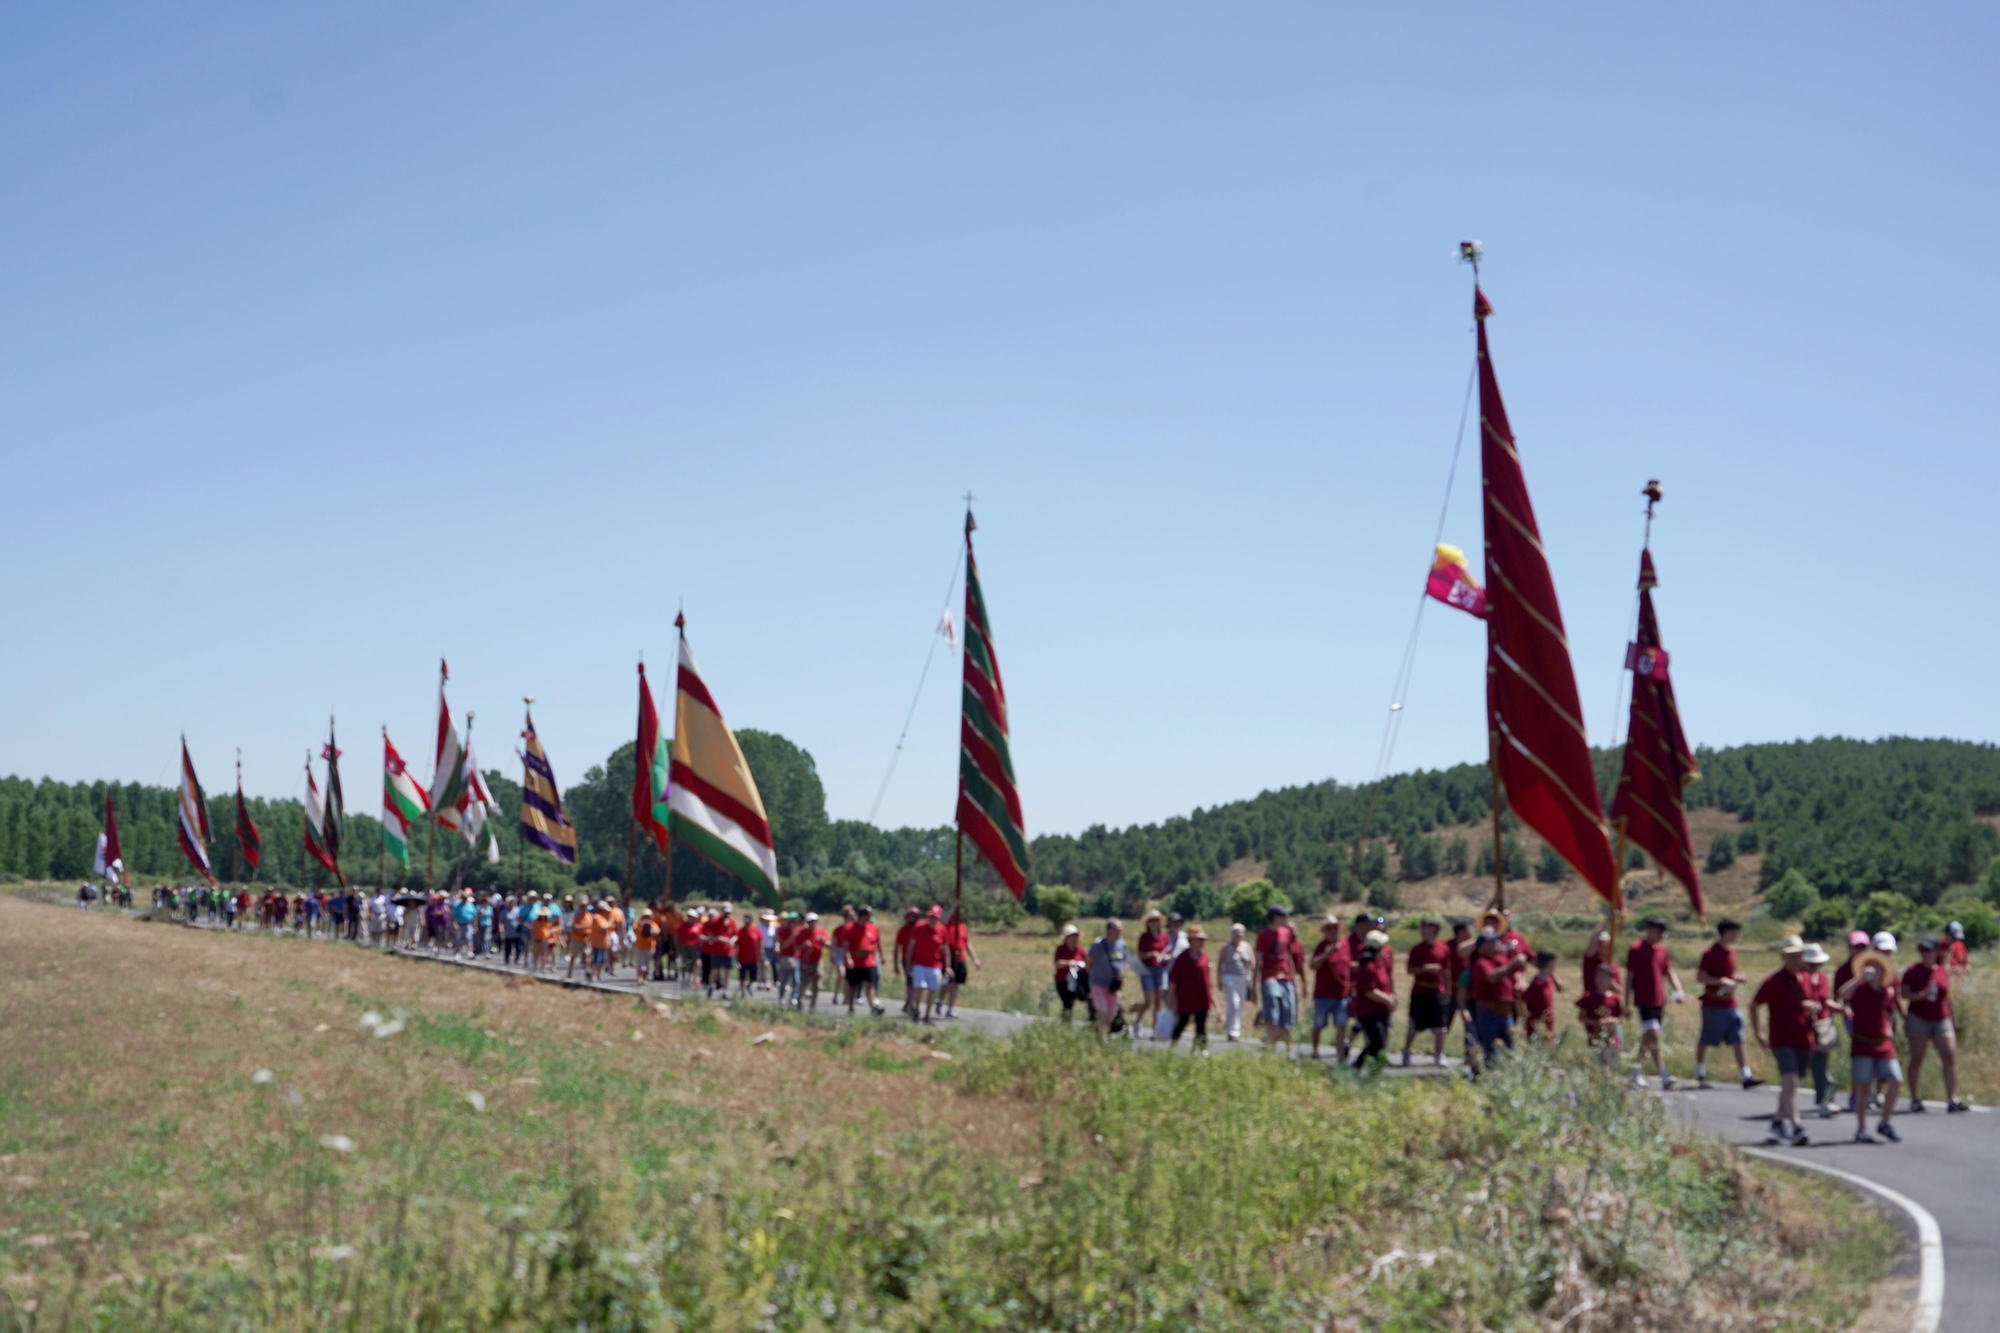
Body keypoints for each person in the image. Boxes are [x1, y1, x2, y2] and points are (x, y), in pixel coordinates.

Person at [1750, 935, 1826, 1146]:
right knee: (1791, 1080)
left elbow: (1819, 1006)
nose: (1796, 959)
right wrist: (1758, 1033)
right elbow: (1754, 1005)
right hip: (1781, 1039)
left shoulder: (1810, 979)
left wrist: (1814, 1008)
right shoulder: (1773, 981)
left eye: (1799, 955)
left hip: (1804, 1039)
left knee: (1790, 1084)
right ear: (1783, 957)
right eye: (1791, 956)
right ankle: (1796, 1126)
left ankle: (1777, 1121)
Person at [1837, 945, 1902, 1143]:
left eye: (1876, 968)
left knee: (1896, 1080)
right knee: (1863, 1086)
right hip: (1862, 1043)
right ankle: (1862, 1127)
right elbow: (1843, 993)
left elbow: (1890, 1012)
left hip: (1883, 1043)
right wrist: (1860, 978)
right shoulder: (1858, 990)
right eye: (1869, 967)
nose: (1872, 971)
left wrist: (1889, 1029)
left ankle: (1885, 1122)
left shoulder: (1886, 992)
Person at [1901, 935, 1968, 1113]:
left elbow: (1946, 998)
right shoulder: (1913, 970)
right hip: (1919, 1018)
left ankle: (1953, 1099)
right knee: (1917, 1059)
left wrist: (1953, 1020)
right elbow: (1904, 994)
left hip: (1941, 1017)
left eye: (1928, 950)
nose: (1924, 953)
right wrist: (1920, 995)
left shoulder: (1941, 971)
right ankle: (1915, 1098)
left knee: (1949, 1056)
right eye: (1922, 950)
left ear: (1936, 951)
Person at [1694, 919, 1763, 1090]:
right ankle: (1700, 1071)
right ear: (1726, 932)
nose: (1738, 935)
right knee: (1706, 1038)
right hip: (1712, 1004)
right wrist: (1721, 981)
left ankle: (1746, 1076)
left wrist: (1737, 978)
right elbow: (1701, 977)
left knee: (1738, 1036)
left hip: (1730, 1003)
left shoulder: (1732, 952)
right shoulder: (1710, 952)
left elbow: (1729, 975)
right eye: (1735, 931)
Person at [1625, 918, 1686, 1090]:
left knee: (1649, 1037)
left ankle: (1635, 1072)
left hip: (1659, 1000)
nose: (1660, 936)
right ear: (1649, 930)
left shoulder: (1662, 950)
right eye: (1658, 931)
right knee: (1653, 1034)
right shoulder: (1636, 949)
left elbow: (1669, 971)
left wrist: (1679, 990)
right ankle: (1664, 1074)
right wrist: (1626, 1002)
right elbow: (1629, 976)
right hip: (1643, 1000)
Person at [1401, 918, 1454, 1067]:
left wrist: (1448, 991)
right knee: (1414, 1025)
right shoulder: (1416, 949)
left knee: (1440, 1026)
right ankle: (1406, 1050)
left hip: (1437, 991)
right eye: (1422, 928)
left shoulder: (1443, 948)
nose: (1423, 931)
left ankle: (1439, 1054)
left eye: (1426, 928)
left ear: (1434, 930)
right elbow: (1409, 970)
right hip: (1420, 991)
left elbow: (1447, 971)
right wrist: (1425, 969)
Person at [1468, 930, 1527, 1062]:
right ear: (1483, 947)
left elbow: (1516, 971)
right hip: (1490, 1014)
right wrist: (1513, 964)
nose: (1498, 943)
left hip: (1506, 1015)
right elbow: (1492, 977)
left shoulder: (1502, 959)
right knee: (1492, 1053)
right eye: (1493, 941)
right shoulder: (1481, 963)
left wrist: (1519, 963)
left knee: (1511, 1050)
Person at [1253, 903, 1303, 1054]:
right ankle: (1271, 1046)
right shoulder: (1263, 935)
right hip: (1270, 976)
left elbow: (1289, 958)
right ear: (1275, 918)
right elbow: (1259, 960)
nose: (1286, 919)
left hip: (1286, 977)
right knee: (1273, 1008)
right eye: (1283, 916)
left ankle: (1274, 1045)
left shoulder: (1286, 933)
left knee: (1289, 1012)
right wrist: (1254, 985)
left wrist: (1295, 982)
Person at [1348, 930, 1396, 1069]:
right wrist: (1387, 999)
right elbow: (1370, 991)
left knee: (1379, 1042)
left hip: (1379, 1011)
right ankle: (1357, 1065)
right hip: (1368, 1011)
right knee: (1377, 1042)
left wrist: (1391, 996)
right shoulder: (1368, 966)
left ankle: (1373, 1069)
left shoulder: (1379, 963)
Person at [1308, 914, 1352, 1062]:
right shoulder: (1321, 946)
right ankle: (1314, 1050)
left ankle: (1340, 1057)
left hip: (1341, 995)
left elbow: (1349, 965)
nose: (1332, 931)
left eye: (1334, 928)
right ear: (1324, 931)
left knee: (1341, 1025)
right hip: (1323, 995)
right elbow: (1312, 965)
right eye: (1329, 928)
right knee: (1318, 1024)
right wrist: (1325, 955)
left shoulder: (1345, 945)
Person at [1167, 925, 1217, 1053]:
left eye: (1202, 940)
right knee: (1182, 1023)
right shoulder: (1182, 958)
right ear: (1190, 940)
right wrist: (1171, 998)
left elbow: (1208, 981)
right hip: (1186, 998)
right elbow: (1173, 980)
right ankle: (1172, 1046)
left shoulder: (1205, 958)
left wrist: (1214, 1001)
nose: (1200, 942)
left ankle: (1202, 1050)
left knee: (1201, 1026)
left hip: (1202, 998)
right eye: (1197, 939)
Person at [1086, 919, 1130, 1036]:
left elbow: (1123, 961)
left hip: (1112, 986)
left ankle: (1099, 1032)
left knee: (1111, 1012)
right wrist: (1094, 976)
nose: (1120, 932)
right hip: (1098, 983)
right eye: (1117, 929)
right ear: (1109, 930)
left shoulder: (1122, 945)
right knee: (1103, 1010)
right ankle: (1102, 1038)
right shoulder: (1098, 945)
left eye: (1120, 929)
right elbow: (1088, 962)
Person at [1577, 958, 1624, 1062]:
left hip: (1612, 1039)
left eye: (1604, 977)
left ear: (1610, 979)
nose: (1600, 980)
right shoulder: (1589, 997)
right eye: (1598, 977)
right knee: (1598, 1064)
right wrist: (1597, 1022)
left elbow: (1620, 1017)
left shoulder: (1615, 998)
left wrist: (1612, 1020)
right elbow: (1581, 1017)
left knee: (1613, 1064)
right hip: (1596, 1039)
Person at [1134, 911, 1172, 1038]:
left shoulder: (1164, 937)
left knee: (1158, 1001)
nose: (1154, 923)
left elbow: (1168, 952)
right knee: (1148, 1001)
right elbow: (1140, 954)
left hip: (1161, 969)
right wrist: (1150, 954)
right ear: (1148, 923)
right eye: (1152, 921)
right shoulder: (1144, 937)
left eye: (1156, 920)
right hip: (1147, 969)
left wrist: (1166, 957)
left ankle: (1155, 1029)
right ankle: (1138, 1021)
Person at [907, 905, 947, 1023]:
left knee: (932, 989)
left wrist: (947, 965)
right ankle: (916, 1009)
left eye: (935, 917)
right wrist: (908, 963)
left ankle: (927, 1015)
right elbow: (911, 947)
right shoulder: (919, 927)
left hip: (935, 964)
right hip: (919, 963)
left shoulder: (942, 930)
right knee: (920, 987)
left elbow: (945, 949)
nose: (933, 920)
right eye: (931, 917)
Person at [1215, 923, 1254, 1042]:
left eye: (1240, 933)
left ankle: (1236, 1031)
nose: (1238, 935)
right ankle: (1231, 1031)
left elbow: (1252, 962)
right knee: (1234, 1003)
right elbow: (1220, 963)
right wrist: (1219, 980)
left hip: (1242, 978)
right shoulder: (1226, 947)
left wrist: (1252, 977)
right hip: (1229, 977)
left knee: (1240, 1005)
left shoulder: (1247, 947)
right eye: (1236, 933)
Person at [845, 906, 884, 1015]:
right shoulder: (850, 928)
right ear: (863, 915)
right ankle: (851, 1008)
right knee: (852, 985)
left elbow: (876, 942)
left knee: (870, 984)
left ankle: (873, 1007)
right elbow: (846, 945)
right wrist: (848, 958)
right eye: (868, 914)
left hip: (869, 961)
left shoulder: (873, 928)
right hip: (855, 961)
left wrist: (881, 955)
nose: (870, 916)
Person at [942, 907, 977, 1019]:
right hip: (949, 957)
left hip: (960, 957)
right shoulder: (946, 925)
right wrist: (954, 906)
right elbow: (942, 920)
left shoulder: (962, 926)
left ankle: (950, 1009)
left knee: (956, 983)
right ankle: (940, 1000)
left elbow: (967, 943)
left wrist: (975, 959)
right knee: (948, 982)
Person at [1522, 950, 1561, 1044]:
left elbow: (1560, 987)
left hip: (1548, 1025)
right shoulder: (1536, 984)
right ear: (1550, 964)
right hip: (1537, 1027)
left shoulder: (1548, 979)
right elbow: (1523, 1003)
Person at [1053, 924, 1087, 1021]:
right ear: (1066, 939)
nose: (1074, 940)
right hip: (1063, 982)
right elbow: (1057, 963)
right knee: (1067, 1003)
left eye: (1076, 937)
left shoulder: (1080, 950)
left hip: (1076, 981)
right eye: (1072, 937)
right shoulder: (1061, 949)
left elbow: (1087, 961)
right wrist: (1069, 963)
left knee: (1073, 1002)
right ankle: (1065, 1024)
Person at [794, 913, 827, 1009]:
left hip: (817, 962)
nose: (813, 924)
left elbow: (828, 944)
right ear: (807, 923)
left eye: (815, 922)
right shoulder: (801, 933)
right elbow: (796, 947)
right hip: (805, 962)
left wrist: (824, 941)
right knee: (803, 984)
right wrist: (803, 946)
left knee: (817, 986)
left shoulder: (821, 932)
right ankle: (799, 1000)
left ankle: (812, 1007)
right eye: (811, 922)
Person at [894, 907, 921, 1017]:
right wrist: (895, 964)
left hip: (919, 960)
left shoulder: (920, 929)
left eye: (917, 916)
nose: (915, 918)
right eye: (913, 916)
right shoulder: (903, 930)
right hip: (907, 960)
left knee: (916, 984)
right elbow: (897, 948)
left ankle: (908, 1003)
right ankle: (910, 1004)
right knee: (910, 983)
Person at [734, 910, 763, 998]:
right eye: (745, 921)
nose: (747, 923)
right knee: (742, 977)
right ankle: (742, 993)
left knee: (753, 978)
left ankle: (749, 986)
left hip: (753, 958)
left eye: (748, 921)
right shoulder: (740, 932)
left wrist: (761, 951)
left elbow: (760, 942)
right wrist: (736, 955)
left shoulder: (756, 930)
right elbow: (736, 945)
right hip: (742, 958)